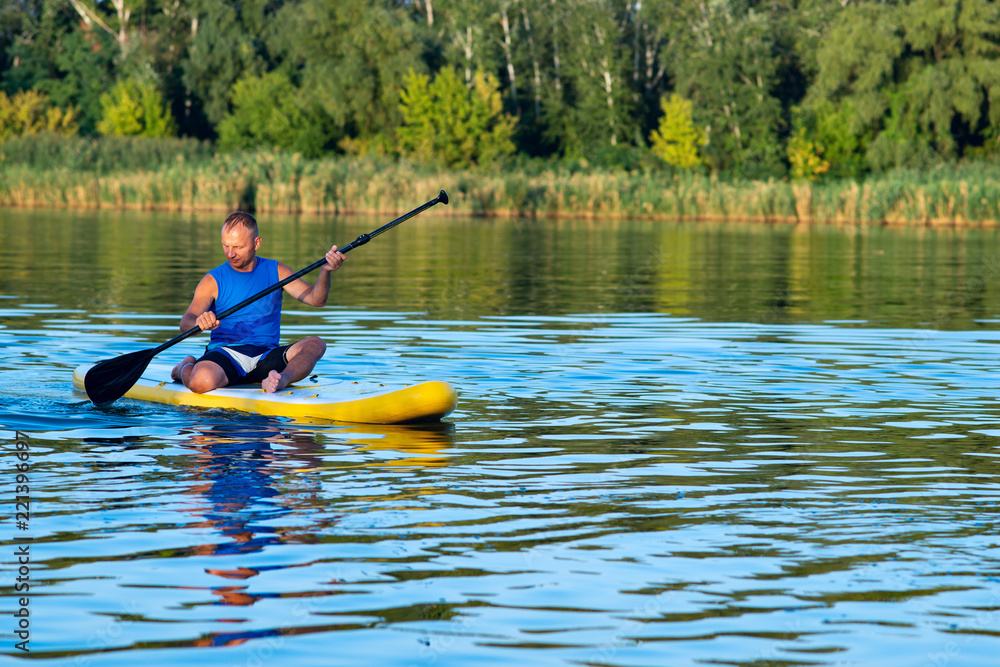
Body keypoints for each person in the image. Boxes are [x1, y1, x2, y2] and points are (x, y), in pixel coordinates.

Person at [170, 211, 345, 394]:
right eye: (226, 246)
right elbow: (185, 323)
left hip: (266, 356)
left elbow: (316, 299)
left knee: (316, 344)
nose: (230, 254)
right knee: (201, 382)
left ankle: (280, 379)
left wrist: (326, 271)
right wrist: (199, 323)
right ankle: (185, 367)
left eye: (237, 247)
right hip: (227, 355)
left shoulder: (277, 270)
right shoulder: (213, 280)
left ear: (257, 243)